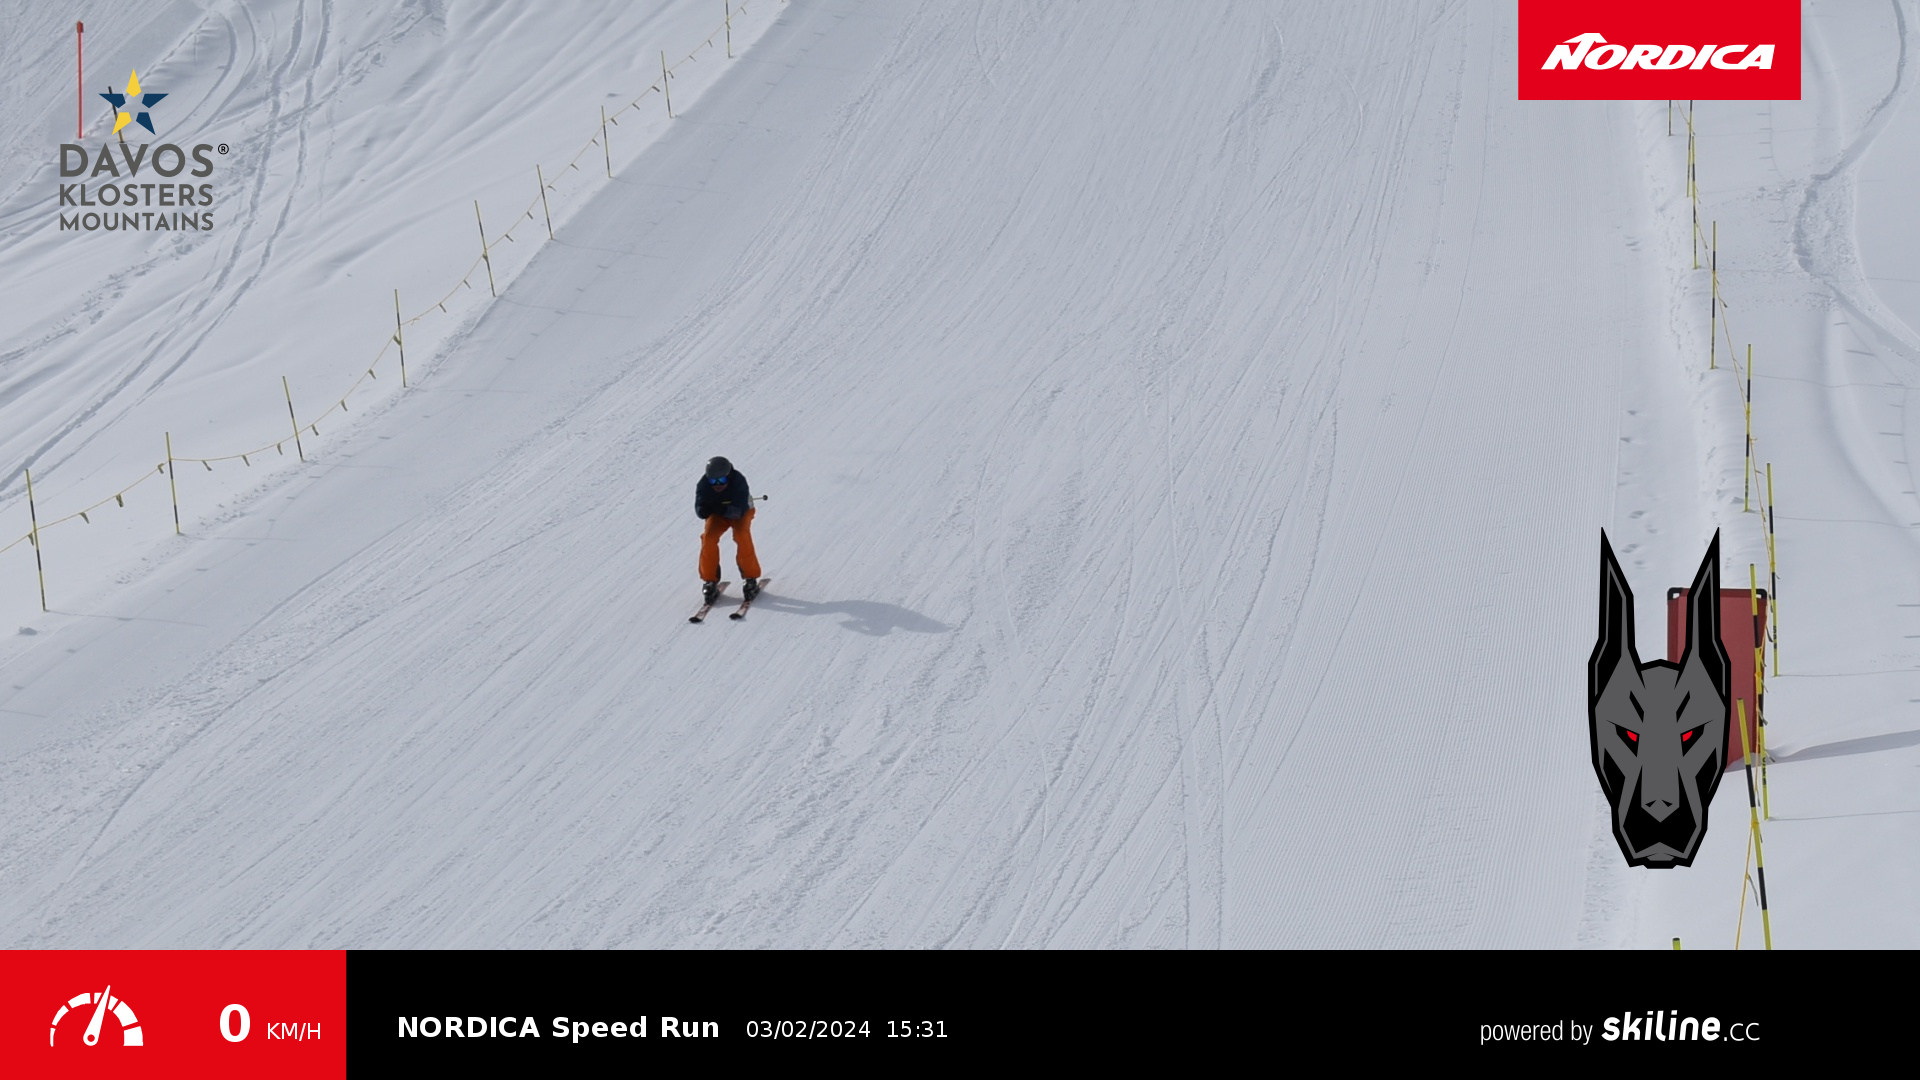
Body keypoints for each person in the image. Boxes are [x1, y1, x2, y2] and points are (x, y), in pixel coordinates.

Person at [695, 456, 761, 603]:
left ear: (729, 476)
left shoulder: (738, 481)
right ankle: (710, 580)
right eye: (713, 481)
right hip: (719, 514)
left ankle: (750, 578)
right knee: (708, 538)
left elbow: (738, 512)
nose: (717, 485)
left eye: (722, 480)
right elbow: (699, 508)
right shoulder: (703, 485)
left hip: (742, 512)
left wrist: (720, 508)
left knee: (741, 534)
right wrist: (704, 510)